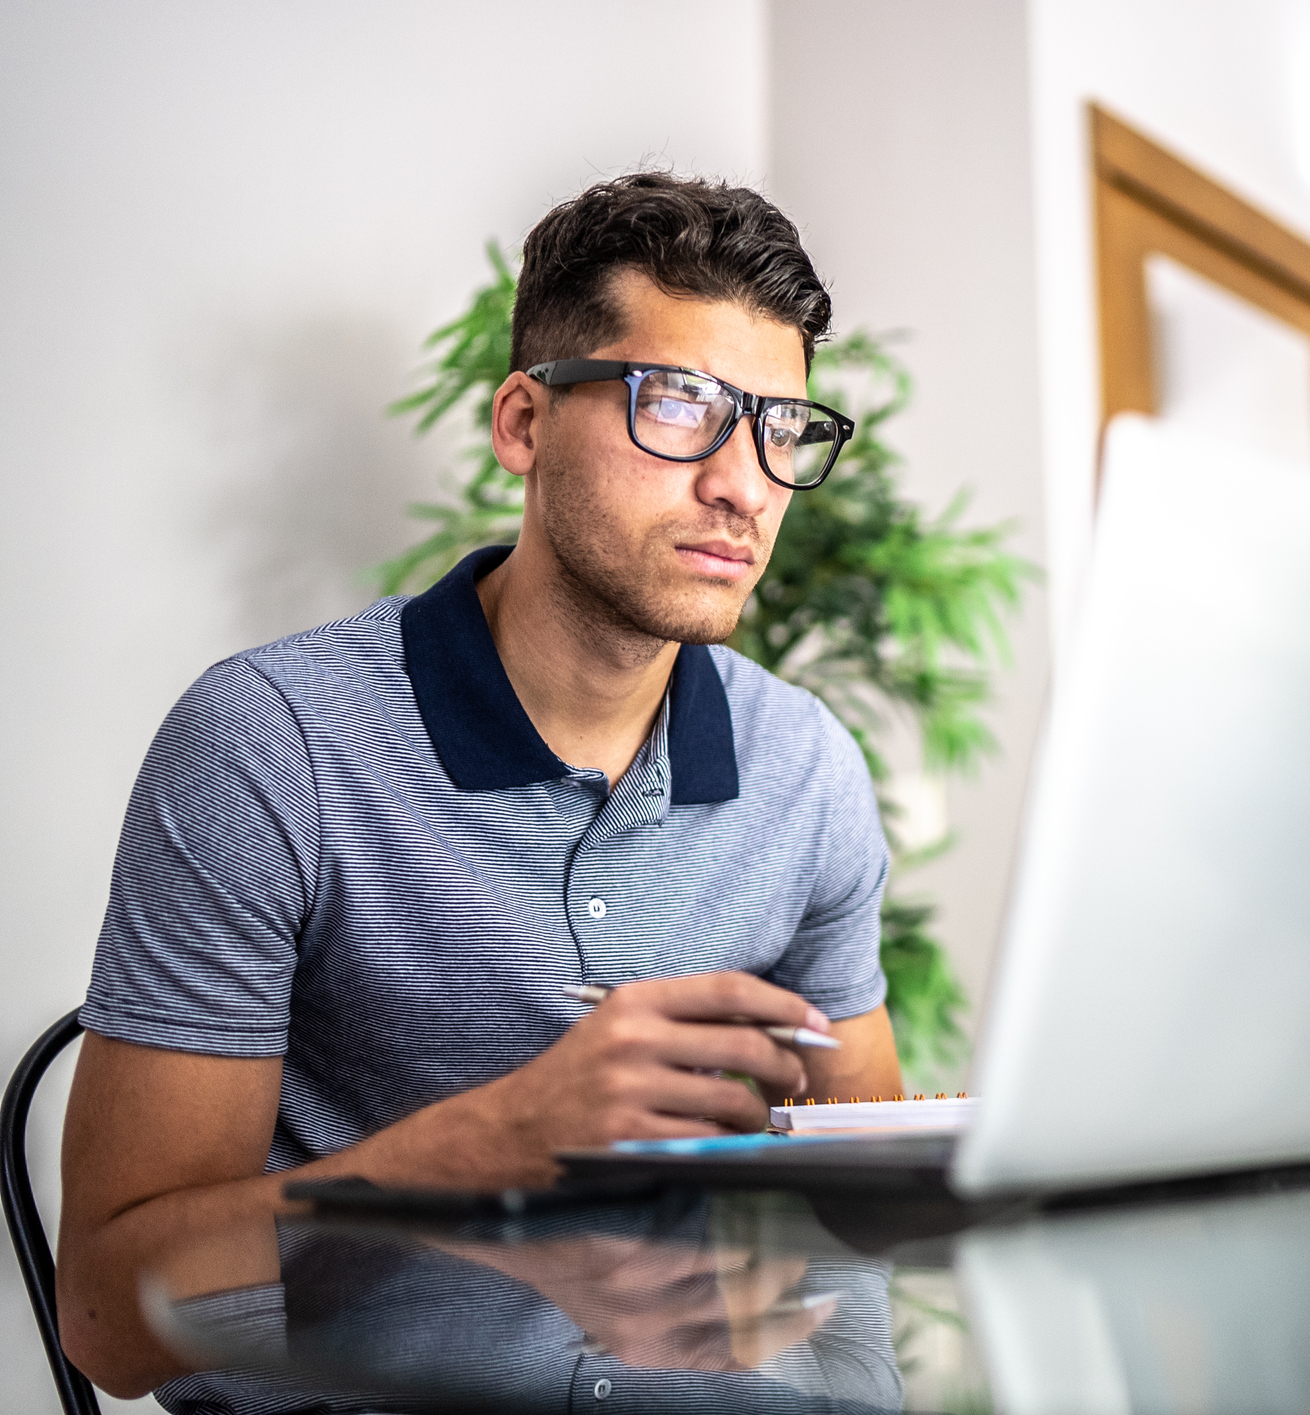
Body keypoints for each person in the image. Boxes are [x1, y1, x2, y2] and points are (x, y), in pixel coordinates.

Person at [56, 172, 904, 1400]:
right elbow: (108, 1315)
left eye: (782, 427)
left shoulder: (808, 769)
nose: (745, 484)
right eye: (679, 405)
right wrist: (455, 1167)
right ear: (523, 423)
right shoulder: (267, 744)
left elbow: (861, 1217)